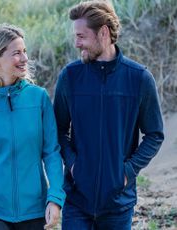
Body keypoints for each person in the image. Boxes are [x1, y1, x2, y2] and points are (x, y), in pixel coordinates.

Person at [54, 1, 164, 229]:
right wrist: (74, 165)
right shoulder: (70, 77)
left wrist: (127, 172)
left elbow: (154, 134)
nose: (76, 43)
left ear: (103, 32)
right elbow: (58, 130)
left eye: (81, 36)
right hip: (77, 201)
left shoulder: (139, 79)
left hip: (118, 204)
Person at [0, 23, 65, 230]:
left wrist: (55, 197)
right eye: (17, 53)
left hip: (34, 207)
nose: (25, 58)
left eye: (25, 51)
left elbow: (51, 152)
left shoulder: (39, 98)